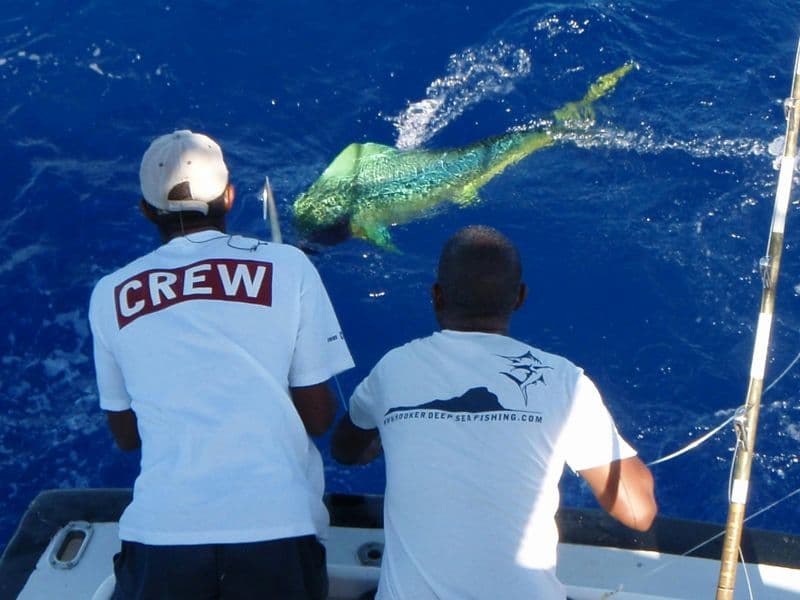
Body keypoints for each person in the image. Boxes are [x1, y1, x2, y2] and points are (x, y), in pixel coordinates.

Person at [89, 129, 354, 599]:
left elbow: (126, 437)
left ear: (145, 210)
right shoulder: (290, 265)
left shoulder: (110, 292)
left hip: (160, 540)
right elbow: (319, 417)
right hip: (279, 530)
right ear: (228, 198)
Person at [331, 225, 657, 600]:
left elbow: (345, 450)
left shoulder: (393, 369)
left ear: (436, 296)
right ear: (519, 297)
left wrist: (389, 436)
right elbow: (638, 511)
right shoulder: (565, 380)